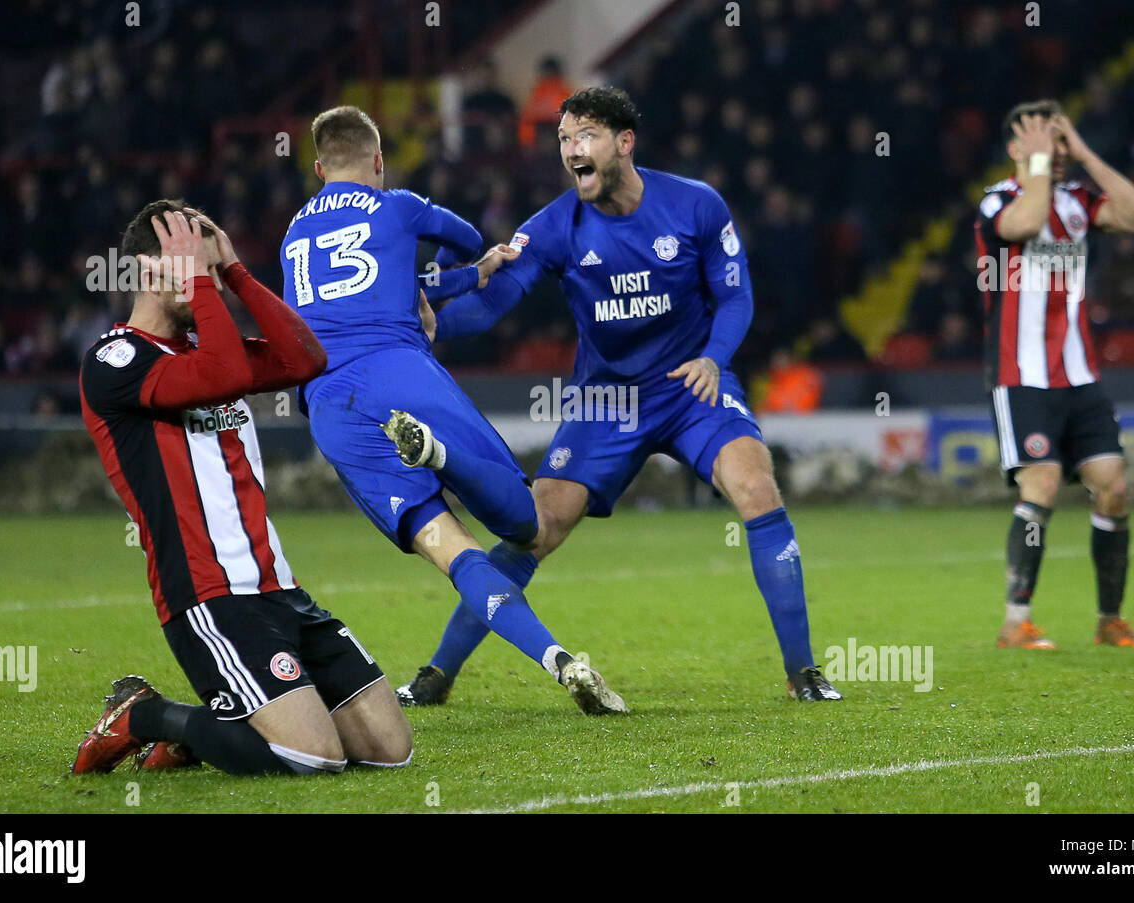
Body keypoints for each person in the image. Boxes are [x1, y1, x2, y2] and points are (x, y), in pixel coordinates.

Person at [404, 86, 842, 705]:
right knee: (537, 531)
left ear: (624, 142)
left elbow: (736, 296)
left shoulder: (695, 205)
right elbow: (494, 303)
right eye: (563, 139)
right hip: (607, 402)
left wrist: (713, 361)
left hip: (693, 387)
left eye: (584, 136)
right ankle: (437, 676)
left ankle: (804, 674)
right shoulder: (554, 226)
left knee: (757, 490)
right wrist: (431, 324)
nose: (570, 151)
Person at [280, 106, 626, 715]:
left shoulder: (290, 238)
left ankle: (558, 659)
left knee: (450, 549)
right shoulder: (398, 206)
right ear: (379, 161)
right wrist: (469, 273)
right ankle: (440, 454)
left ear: (316, 167)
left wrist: (419, 287)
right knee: (524, 527)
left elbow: (312, 322)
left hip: (331, 401)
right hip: (401, 371)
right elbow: (468, 238)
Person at [74, 202, 413, 775]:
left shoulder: (204, 350)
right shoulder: (116, 361)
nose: (206, 283)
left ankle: (212, 732)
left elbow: (304, 358)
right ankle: (145, 716)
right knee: (311, 756)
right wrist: (208, 285)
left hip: (278, 585)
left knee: (389, 750)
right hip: (210, 595)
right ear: (146, 270)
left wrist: (236, 274)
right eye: (190, 266)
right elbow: (225, 376)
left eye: (208, 268)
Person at [974, 99, 1134, 649]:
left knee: (1114, 487)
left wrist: (1083, 153)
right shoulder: (997, 201)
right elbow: (1027, 223)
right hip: (1021, 375)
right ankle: (1016, 622)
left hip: (1079, 374)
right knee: (1043, 485)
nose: (1053, 152)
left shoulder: (1079, 201)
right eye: (1039, 139)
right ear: (1015, 149)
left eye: (1058, 140)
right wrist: (1035, 168)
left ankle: (1110, 619)